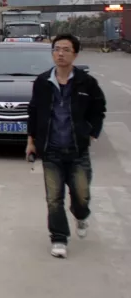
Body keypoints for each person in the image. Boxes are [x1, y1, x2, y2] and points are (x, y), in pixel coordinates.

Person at [26, 33, 106, 259]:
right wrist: (31, 142)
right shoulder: (42, 82)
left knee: (82, 195)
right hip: (51, 150)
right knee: (54, 198)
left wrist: (92, 132)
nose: (60, 53)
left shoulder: (86, 82)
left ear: (75, 54)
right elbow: (34, 112)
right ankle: (59, 238)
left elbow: (99, 109)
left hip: (77, 151)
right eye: (56, 49)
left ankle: (81, 215)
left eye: (66, 49)